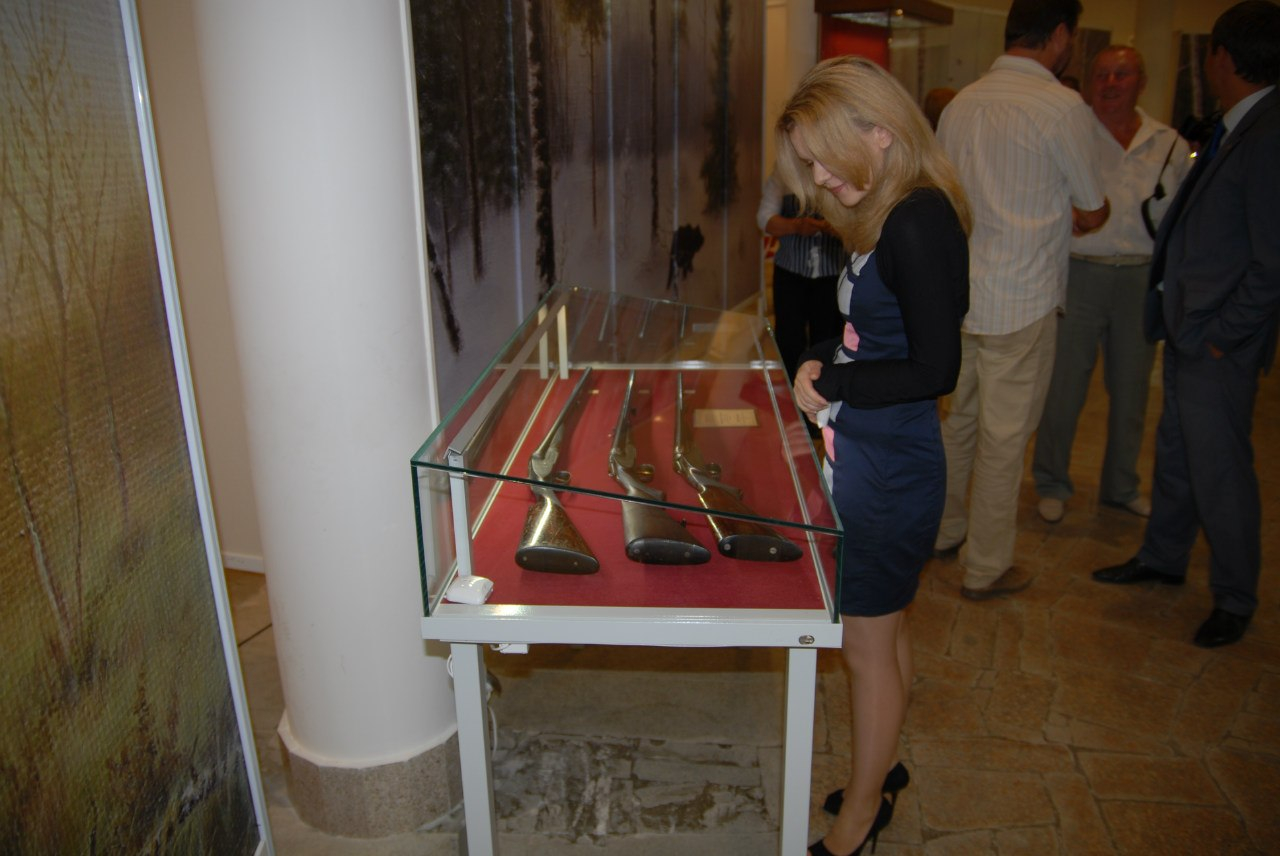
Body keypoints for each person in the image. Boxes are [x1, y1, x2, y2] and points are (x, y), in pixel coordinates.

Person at [778, 56, 970, 856]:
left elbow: (936, 367)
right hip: (875, 453)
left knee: (866, 647)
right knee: (884, 632)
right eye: (809, 164)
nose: (820, 178)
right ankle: (879, 770)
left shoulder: (918, 220)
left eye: (825, 159)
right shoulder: (896, 211)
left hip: (888, 470)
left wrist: (838, 380)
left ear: (881, 133)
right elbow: (871, 331)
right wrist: (820, 354)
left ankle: (859, 819)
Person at [1092, 0, 1280, 649]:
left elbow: (1272, 262)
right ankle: (1164, 556)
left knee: (1220, 468)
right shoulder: (1239, 125)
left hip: (1216, 339)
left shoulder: (1268, 134)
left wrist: (1224, 334)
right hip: (1190, 327)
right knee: (1178, 452)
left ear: (1223, 57)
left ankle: (1235, 595)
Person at [933, 0, 1109, 600]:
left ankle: (943, 530)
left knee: (958, 425)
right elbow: (1092, 208)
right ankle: (985, 566)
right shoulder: (1060, 107)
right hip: (1023, 297)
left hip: (962, 295)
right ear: (1059, 35)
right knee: (1004, 440)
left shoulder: (960, 103)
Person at [1033, 46, 1192, 524]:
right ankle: (1051, 482)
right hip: (1080, 271)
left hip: (1139, 276)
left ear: (1141, 81)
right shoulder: (1072, 131)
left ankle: (1121, 485)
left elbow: (1179, 216)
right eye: (1101, 74)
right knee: (1064, 389)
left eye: (1121, 74)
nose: (1110, 83)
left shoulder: (1167, 142)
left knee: (1131, 390)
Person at [757, 171, 847, 382]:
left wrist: (837, 228)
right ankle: (791, 391)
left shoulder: (842, 171)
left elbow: (862, 223)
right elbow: (764, 218)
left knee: (828, 341)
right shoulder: (783, 173)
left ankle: (822, 394)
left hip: (832, 275)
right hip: (790, 272)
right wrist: (796, 226)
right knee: (789, 341)